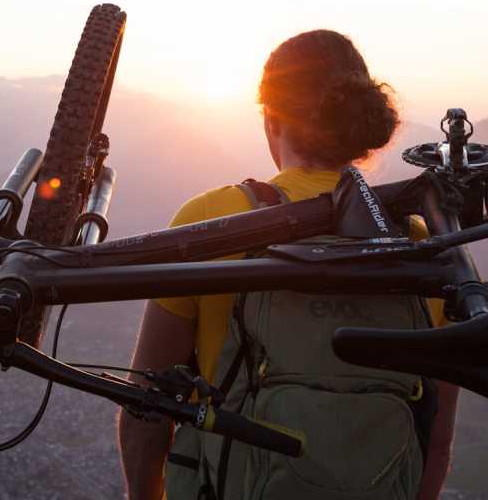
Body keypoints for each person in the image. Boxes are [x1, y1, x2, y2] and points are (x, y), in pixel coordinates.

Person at [117, 30, 458, 500]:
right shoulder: (426, 247)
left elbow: (145, 409)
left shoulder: (213, 222)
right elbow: (434, 439)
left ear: (271, 118)